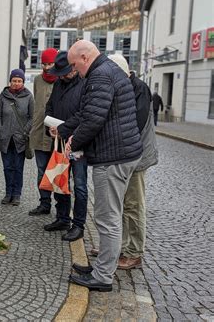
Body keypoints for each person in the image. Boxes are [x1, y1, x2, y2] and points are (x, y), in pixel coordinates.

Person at [54, 40, 142, 292]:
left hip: (113, 157)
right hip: (120, 153)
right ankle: (103, 266)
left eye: (74, 64)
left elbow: (93, 119)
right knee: (108, 216)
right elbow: (87, 113)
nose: (74, 69)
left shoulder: (100, 76)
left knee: (107, 218)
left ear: (84, 57)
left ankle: (103, 276)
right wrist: (64, 129)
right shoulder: (105, 71)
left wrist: (73, 141)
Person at [108, 54, 158, 270]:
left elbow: (132, 124)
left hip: (136, 158)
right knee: (120, 204)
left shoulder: (139, 89)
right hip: (123, 156)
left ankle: (134, 252)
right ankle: (118, 245)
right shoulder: (124, 87)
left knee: (133, 205)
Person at [45, 51, 88, 242]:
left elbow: (82, 114)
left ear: (73, 67)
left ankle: (78, 225)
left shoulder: (85, 84)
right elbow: (50, 107)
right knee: (59, 179)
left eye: (63, 72)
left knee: (79, 185)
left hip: (78, 142)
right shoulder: (58, 85)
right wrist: (51, 128)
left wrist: (62, 128)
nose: (61, 75)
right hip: (60, 141)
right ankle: (62, 218)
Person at [0, 69, 34, 205]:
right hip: (5, 138)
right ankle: (8, 193)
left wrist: (25, 132)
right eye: (14, 81)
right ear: (10, 81)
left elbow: (32, 117)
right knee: (7, 167)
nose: (16, 83)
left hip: (20, 139)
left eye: (19, 81)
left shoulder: (28, 96)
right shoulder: (3, 95)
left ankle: (17, 194)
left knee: (18, 167)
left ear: (23, 82)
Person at [28, 48, 58, 215]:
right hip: (39, 132)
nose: (47, 67)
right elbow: (37, 107)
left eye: (50, 63)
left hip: (57, 133)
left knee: (59, 170)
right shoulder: (38, 80)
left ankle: (61, 207)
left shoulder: (61, 80)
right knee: (41, 170)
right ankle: (44, 203)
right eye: (45, 64)